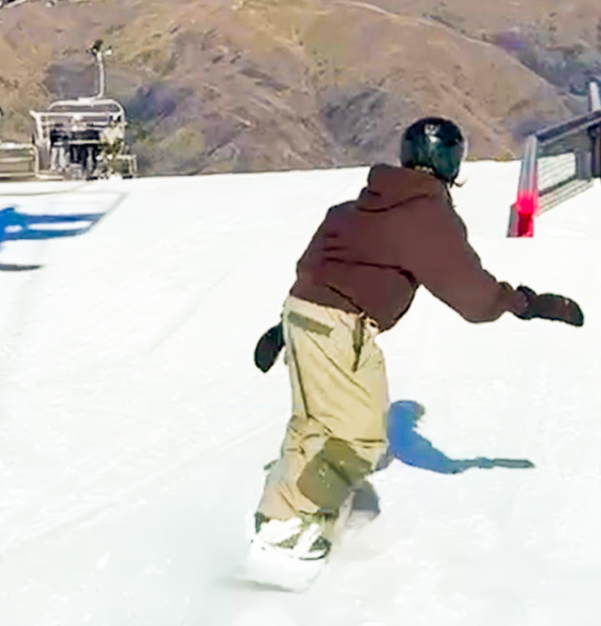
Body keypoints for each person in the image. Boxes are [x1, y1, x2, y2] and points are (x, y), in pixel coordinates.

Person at [249, 117, 584, 563]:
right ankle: (291, 528)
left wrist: (285, 327)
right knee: (356, 437)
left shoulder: (360, 205)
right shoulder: (426, 214)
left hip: (309, 317)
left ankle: (280, 515)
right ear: (452, 162)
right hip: (339, 327)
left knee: (313, 425)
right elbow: (473, 296)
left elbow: (317, 266)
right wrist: (528, 303)